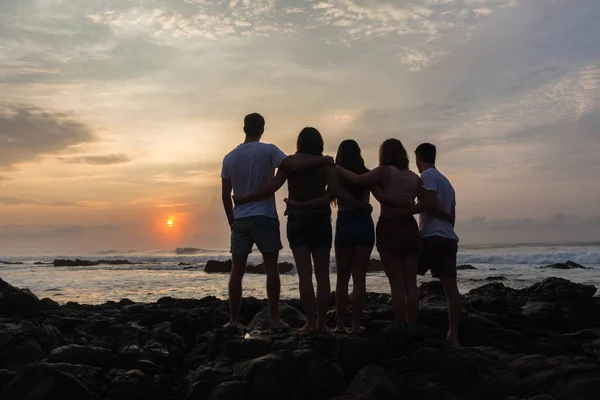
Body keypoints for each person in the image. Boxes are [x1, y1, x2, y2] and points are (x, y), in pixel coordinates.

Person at [235, 128, 371, 333]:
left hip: (298, 221)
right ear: (319, 143)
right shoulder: (325, 165)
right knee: (322, 275)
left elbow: (273, 185)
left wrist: (247, 197)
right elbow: (331, 194)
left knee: (305, 275)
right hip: (320, 220)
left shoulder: (290, 163)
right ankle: (322, 324)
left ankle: (310, 322)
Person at [221, 113, 333, 330]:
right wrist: (323, 159)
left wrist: (231, 220)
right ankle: (274, 318)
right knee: (271, 268)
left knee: (237, 270)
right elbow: (293, 166)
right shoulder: (269, 149)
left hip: (241, 218)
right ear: (262, 129)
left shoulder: (229, 157)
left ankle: (234, 320)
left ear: (244, 129)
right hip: (265, 215)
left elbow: (226, 195)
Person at [336, 139, 421, 324]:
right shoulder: (414, 177)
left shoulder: (382, 172)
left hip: (389, 226)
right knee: (411, 284)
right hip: (410, 228)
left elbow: (359, 182)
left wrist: (335, 166)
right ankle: (413, 325)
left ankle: (400, 326)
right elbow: (425, 202)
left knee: (396, 285)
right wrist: (407, 205)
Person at [389, 143, 460, 344]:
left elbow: (429, 203)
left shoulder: (428, 176)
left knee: (407, 282)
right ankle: (452, 335)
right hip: (448, 238)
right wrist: (445, 216)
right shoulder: (448, 183)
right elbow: (452, 217)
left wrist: (403, 211)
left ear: (419, 159)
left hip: (430, 237)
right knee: (451, 292)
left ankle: (410, 325)